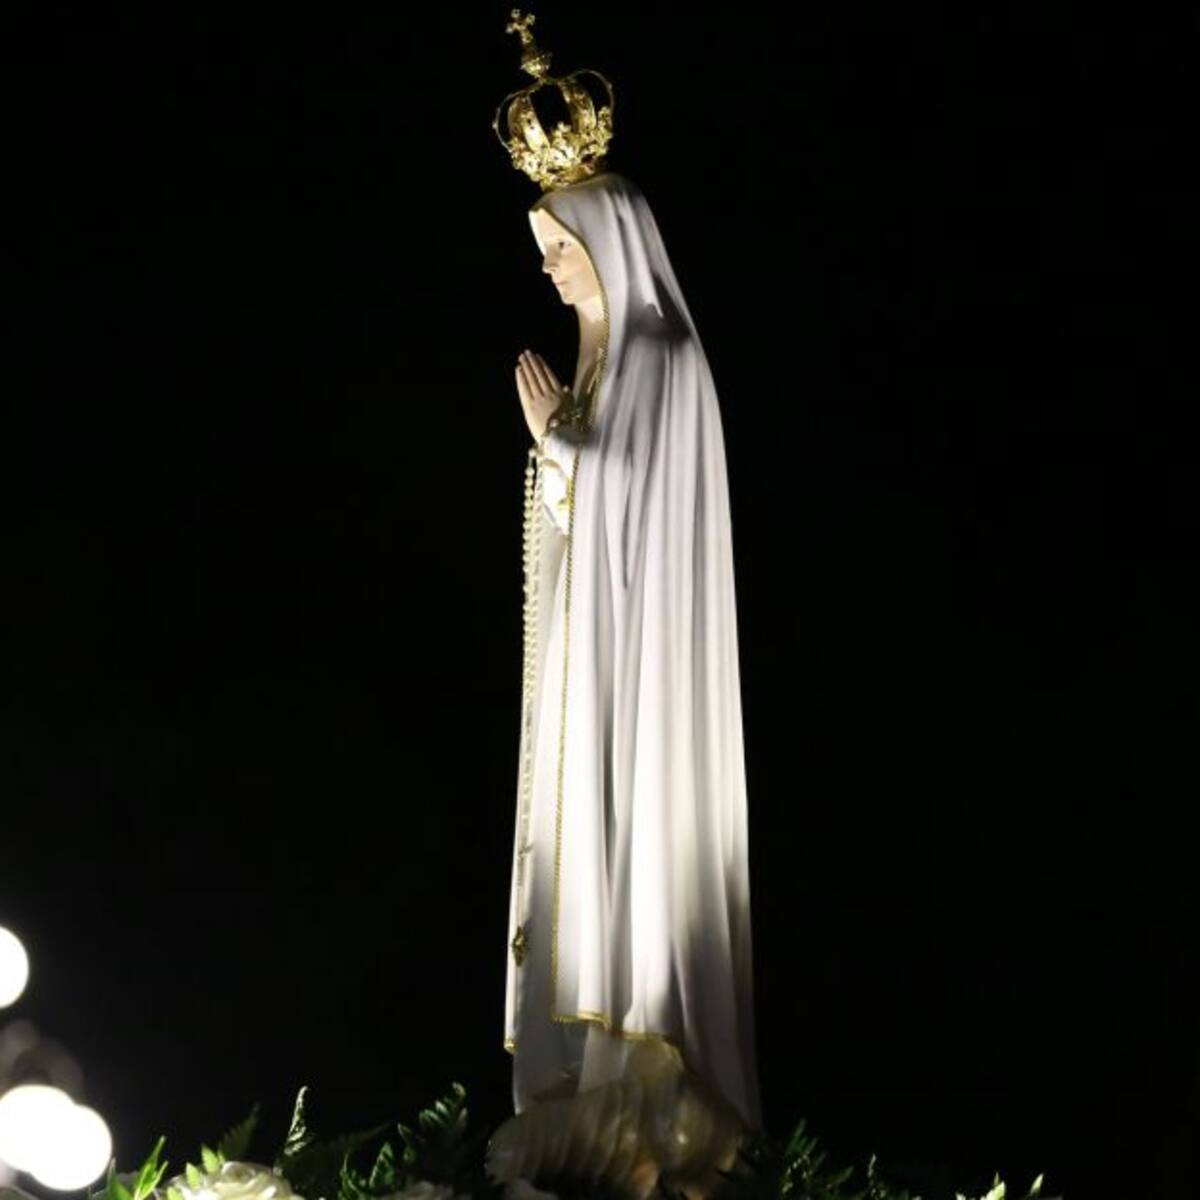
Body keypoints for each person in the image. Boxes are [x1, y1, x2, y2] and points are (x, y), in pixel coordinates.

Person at [487, 169, 763, 1200]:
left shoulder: (663, 360)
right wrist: (565, 450)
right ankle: (585, 1100)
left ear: (612, 242)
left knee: (640, 856)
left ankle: (652, 1094)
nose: (552, 273)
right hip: (590, 676)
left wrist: (563, 446)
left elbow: (647, 515)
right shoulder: (602, 368)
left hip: (648, 690)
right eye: (546, 253)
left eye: (562, 247)